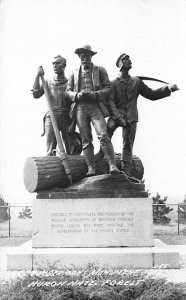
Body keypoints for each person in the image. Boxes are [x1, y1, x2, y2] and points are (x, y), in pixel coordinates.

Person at [106, 53, 179, 176]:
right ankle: (103, 159)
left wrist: (167, 89)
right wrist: (118, 118)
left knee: (128, 145)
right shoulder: (113, 83)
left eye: (129, 59)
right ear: (120, 64)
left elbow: (151, 95)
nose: (130, 61)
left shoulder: (136, 82)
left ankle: (126, 173)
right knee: (105, 135)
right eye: (126, 60)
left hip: (131, 117)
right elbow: (110, 102)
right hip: (116, 116)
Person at [66, 45, 121, 177]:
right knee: (86, 139)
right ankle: (91, 168)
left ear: (91, 56)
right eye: (82, 56)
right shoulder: (74, 72)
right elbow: (67, 92)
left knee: (103, 134)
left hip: (95, 106)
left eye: (87, 56)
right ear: (79, 57)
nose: (85, 58)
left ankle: (112, 164)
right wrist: (77, 95)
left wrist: (96, 94)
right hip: (80, 108)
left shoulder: (100, 70)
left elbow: (108, 88)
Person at [32, 55, 73, 156]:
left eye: (57, 63)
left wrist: (74, 121)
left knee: (70, 148)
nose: (55, 65)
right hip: (51, 116)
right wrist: (37, 76)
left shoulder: (70, 83)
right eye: (53, 63)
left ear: (64, 65)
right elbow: (35, 94)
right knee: (50, 149)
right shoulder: (47, 82)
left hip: (66, 117)